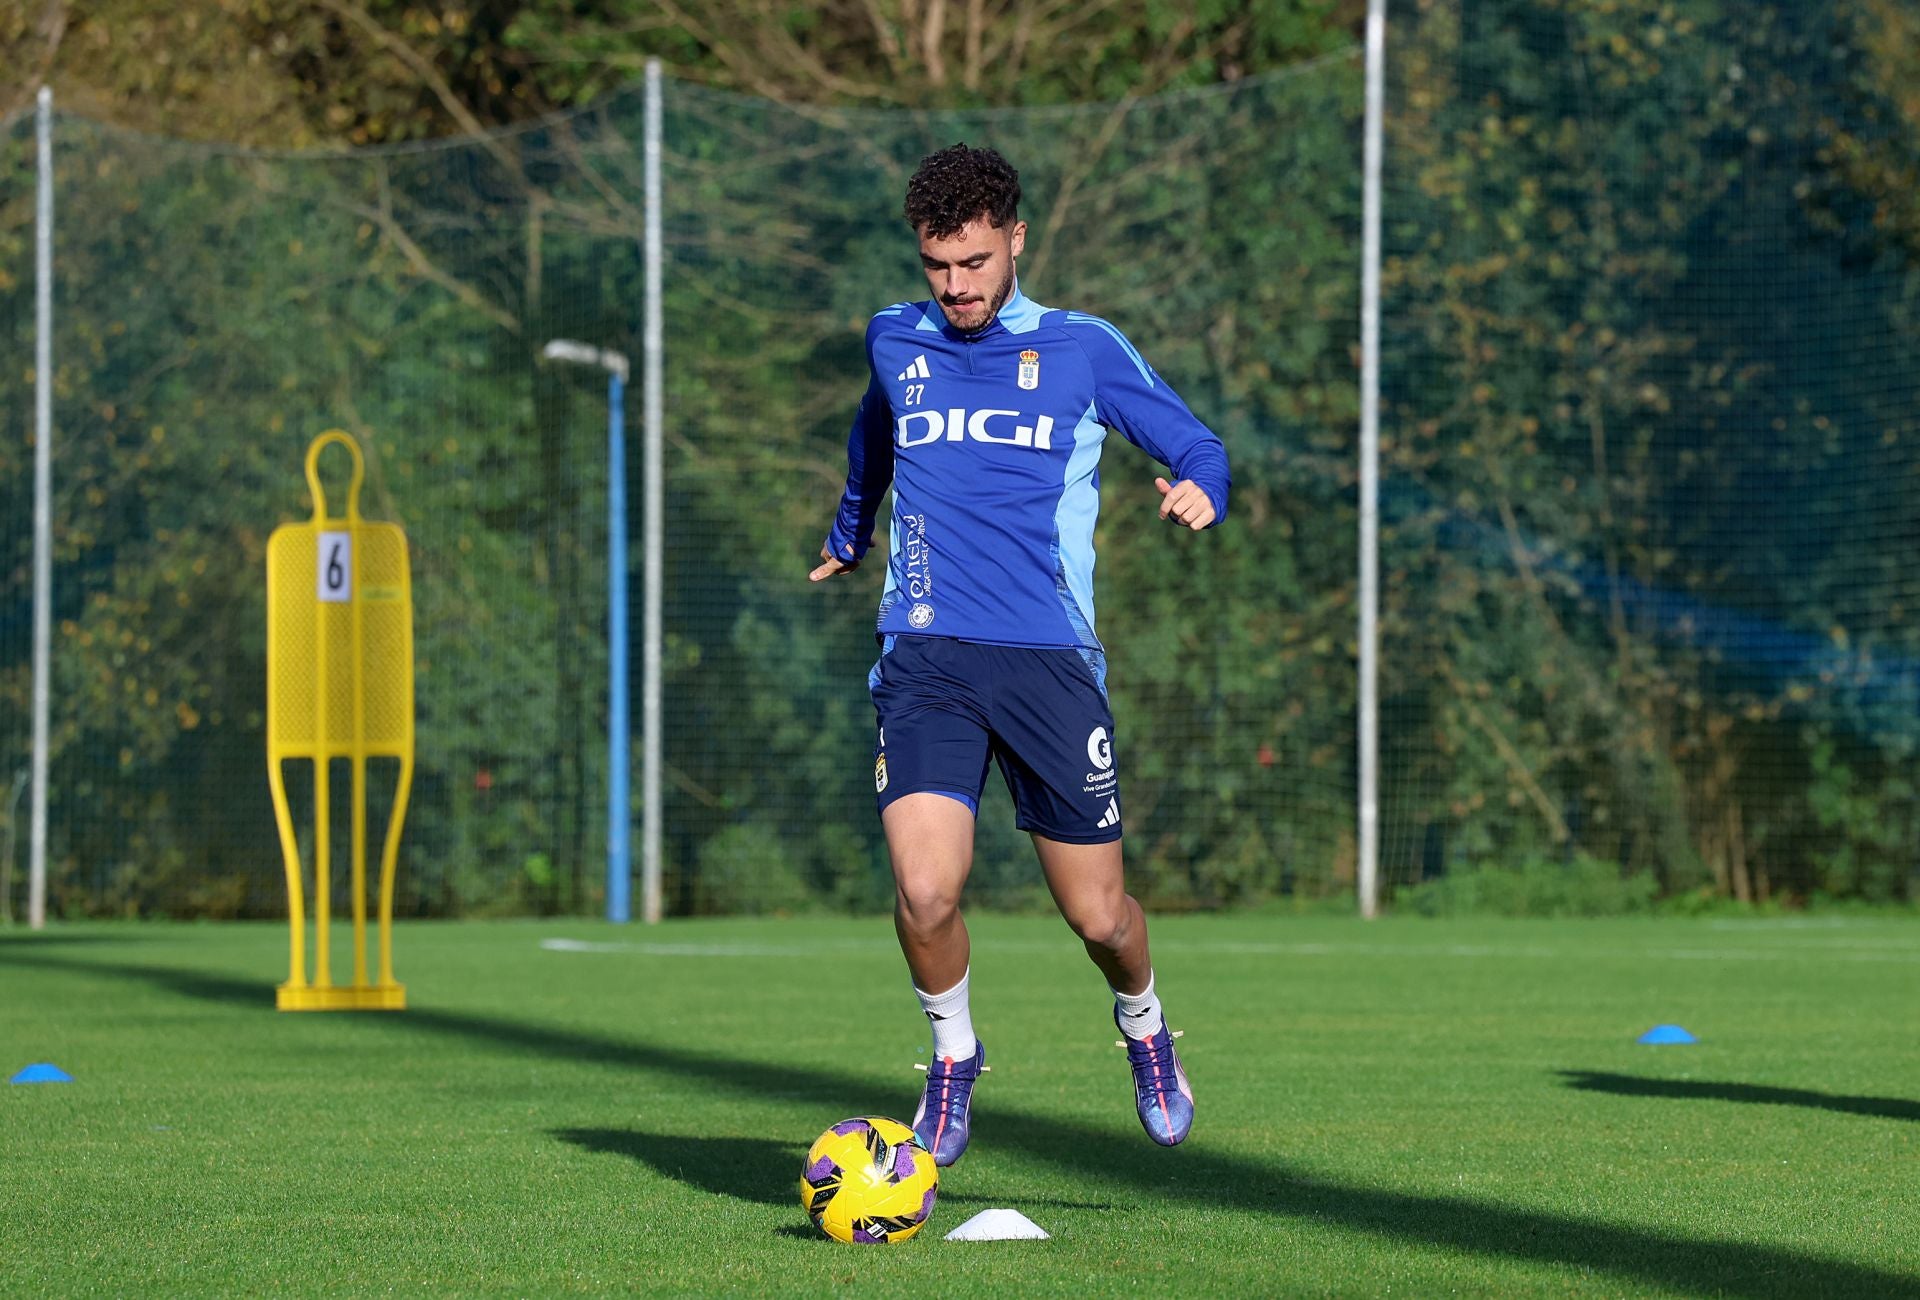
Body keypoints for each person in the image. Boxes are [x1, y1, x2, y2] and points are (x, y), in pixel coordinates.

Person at [810, 143, 1229, 1164]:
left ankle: (1145, 1027)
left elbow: (1196, 442)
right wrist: (848, 533)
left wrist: (1201, 487)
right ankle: (953, 1056)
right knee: (924, 890)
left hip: (1047, 665)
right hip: (926, 656)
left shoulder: (1081, 349)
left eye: (976, 265)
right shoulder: (892, 339)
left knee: (1098, 917)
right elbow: (877, 434)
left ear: (1017, 242)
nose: (956, 288)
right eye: (938, 268)